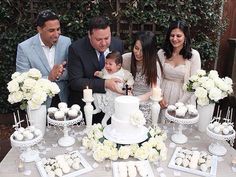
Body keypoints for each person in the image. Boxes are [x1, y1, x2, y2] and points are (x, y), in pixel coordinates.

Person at [68, 16, 124, 123]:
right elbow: (75, 82)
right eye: (98, 39)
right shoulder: (76, 49)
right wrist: (105, 83)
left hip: (112, 109)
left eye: (107, 38)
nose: (103, 43)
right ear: (89, 35)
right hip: (87, 108)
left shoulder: (118, 44)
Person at [16, 9, 71, 108]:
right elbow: (22, 81)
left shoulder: (66, 42)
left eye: (58, 29)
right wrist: (49, 78)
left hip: (63, 99)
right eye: (51, 30)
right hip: (39, 103)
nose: (56, 34)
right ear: (39, 29)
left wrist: (59, 74)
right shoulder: (24, 48)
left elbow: (73, 70)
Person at [157, 20, 201, 110]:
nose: (175, 39)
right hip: (163, 96)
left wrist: (180, 104)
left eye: (179, 36)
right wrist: (159, 97)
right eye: (172, 35)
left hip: (183, 98)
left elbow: (194, 84)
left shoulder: (194, 55)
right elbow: (156, 77)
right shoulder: (161, 53)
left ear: (185, 36)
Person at [122, 31, 163, 125]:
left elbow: (155, 90)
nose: (138, 53)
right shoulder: (125, 59)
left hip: (147, 101)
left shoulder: (154, 65)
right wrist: (127, 92)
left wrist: (137, 99)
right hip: (129, 98)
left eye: (143, 51)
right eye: (136, 48)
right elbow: (119, 79)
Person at [93, 51, 134, 126]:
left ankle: (104, 121)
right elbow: (103, 75)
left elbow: (130, 79)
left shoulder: (123, 73)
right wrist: (99, 74)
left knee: (111, 108)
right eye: (106, 63)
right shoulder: (105, 71)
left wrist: (128, 86)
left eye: (110, 64)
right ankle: (97, 108)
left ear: (118, 66)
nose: (107, 66)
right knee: (95, 94)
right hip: (105, 93)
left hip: (116, 95)